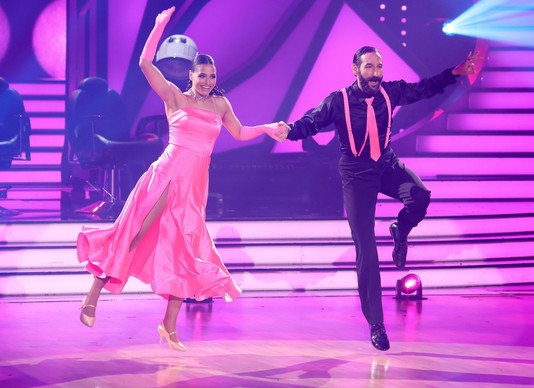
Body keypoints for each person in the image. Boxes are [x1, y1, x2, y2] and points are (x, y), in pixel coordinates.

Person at [77, 6, 287, 352]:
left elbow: (240, 132)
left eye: (212, 76)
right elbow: (145, 64)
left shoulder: (221, 105)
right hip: (165, 178)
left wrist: (266, 127)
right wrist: (158, 27)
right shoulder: (174, 96)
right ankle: (94, 294)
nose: (207, 81)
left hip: (194, 188)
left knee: (184, 253)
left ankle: (168, 325)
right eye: (201, 75)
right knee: (131, 236)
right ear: (190, 75)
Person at [281, 46, 479, 351]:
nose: (375, 73)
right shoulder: (339, 101)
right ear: (355, 69)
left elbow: (423, 89)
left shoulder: (390, 92)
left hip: (386, 164)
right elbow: (311, 123)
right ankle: (377, 323)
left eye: (379, 67)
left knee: (420, 196)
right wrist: (290, 130)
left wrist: (454, 73)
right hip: (356, 173)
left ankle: (400, 231)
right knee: (367, 250)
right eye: (369, 68)